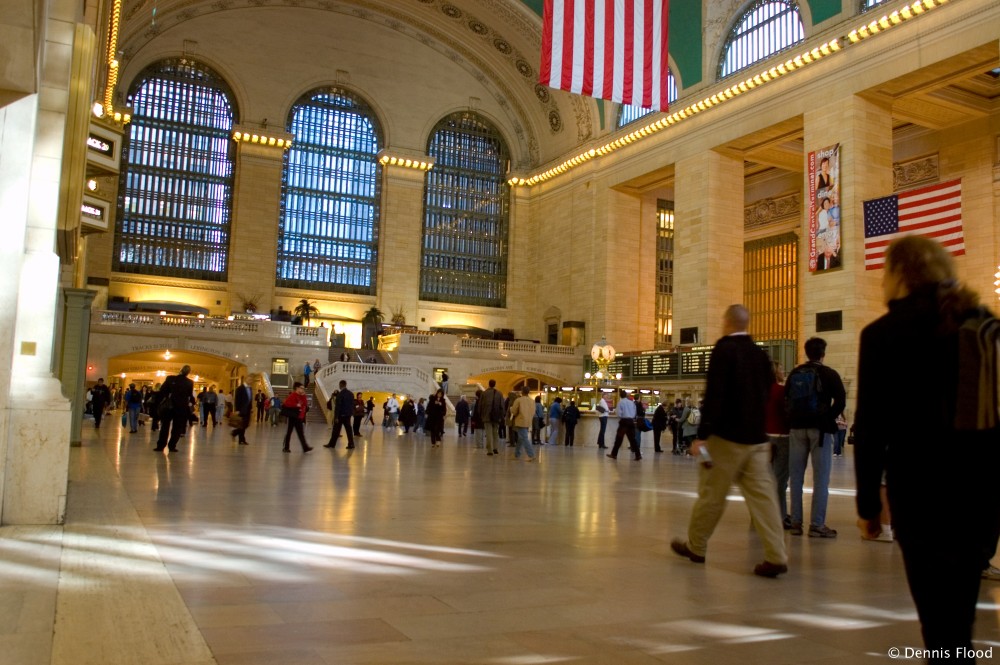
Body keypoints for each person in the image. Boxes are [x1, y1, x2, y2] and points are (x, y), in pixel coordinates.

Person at [855, 236, 1000, 658]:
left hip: (920, 493)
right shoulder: (982, 324)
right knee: (961, 614)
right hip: (980, 492)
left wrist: (868, 506)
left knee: (936, 617)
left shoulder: (883, 334)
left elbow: (870, 428)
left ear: (899, 274)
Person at [670, 304, 788, 578]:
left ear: (726, 323)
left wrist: (702, 436)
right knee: (764, 499)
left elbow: (715, 395)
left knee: (712, 495)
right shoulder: (761, 355)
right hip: (757, 440)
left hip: (726, 440)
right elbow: (766, 392)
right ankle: (776, 555)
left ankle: (696, 547)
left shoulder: (723, 351)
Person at [786, 337, 846, 538]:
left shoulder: (795, 373)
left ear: (806, 352)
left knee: (796, 477)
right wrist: (827, 417)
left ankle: (795, 522)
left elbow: (787, 400)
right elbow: (841, 401)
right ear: (823, 354)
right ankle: (817, 524)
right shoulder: (829, 373)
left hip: (796, 429)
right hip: (820, 431)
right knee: (821, 478)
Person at [766, 361, 792, 530]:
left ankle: (761, 515)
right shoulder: (782, 391)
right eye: (782, 369)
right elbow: (787, 414)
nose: (784, 372)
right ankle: (780, 516)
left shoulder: (759, 391)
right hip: (782, 437)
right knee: (780, 479)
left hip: (765, 438)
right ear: (776, 372)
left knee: (766, 478)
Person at [154, 365, 195, 453]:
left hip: (169, 406)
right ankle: (172, 446)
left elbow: (163, 391)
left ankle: (161, 445)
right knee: (177, 427)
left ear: (180, 370)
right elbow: (190, 395)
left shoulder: (170, 379)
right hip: (181, 407)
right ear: (188, 373)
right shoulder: (189, 382)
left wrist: (163, 400)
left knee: (165, 426)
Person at [607, 390, 639, 461]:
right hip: (631, 421)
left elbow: (618, 413)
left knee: (619, 438)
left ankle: (614, 454)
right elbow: (634, 412)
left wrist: (621, 417)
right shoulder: (631, 403)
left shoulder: (620, 402)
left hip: (624, 422)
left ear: (620, 396)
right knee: (632, 439)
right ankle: (638, 454)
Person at [281, 382, 313, 453]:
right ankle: (286, 447)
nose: (303, 389)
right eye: (302, 388)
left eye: (303, 388)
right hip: (292, 416)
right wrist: (296, 405)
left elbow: (304, 404)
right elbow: (287, 404)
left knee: (300, 433)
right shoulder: (292, 395)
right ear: (297, 388)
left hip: (298, 416)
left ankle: (305, 447)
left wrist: (304, 396)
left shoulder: (302, 396)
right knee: (289, 432)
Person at [476, 379, 504, 456]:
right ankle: (495, 448)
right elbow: (502, 406)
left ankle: (490, 450)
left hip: (486, 416)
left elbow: (480, 406)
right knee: (495, 433)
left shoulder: (484, 394)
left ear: (489, 384)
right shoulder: (499, 393)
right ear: (495, 385)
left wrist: (481, 415)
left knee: (488, 433)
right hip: (496, 416)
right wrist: (501, 417)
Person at [508, 386, 537, 462]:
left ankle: (531, 455)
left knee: (524, 438)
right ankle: (516, 454)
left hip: (520, 421)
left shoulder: (518, 400)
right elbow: (534, 412)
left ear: (521, 391)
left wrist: (511, 409)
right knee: (521, 438)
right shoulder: (532, 401)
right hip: (528, 421)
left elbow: (514, 411)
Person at [324, 379, 356, 449]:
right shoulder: (351, 394)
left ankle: (332, 444)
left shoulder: (340, 394)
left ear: (340, 385)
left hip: (340, 416)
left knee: (336, 430)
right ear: (345, 385)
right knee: (349, 430)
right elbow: (352, 405)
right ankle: (351, 444)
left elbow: (338, 407)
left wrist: (336, 417)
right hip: (347, 415)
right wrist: (350, 413)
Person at [231, 378, 253, 445]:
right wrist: (237, 410)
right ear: (246, 380)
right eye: (250, 380)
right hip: (241, 410)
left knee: (245, 425)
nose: (251, 381)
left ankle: (235, 434)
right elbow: (237, 400)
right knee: (242, 425)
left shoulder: (250, 388)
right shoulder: (240, 388)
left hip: (248, 410)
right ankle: (241, 439)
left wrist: (251, 408)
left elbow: (249, 399)